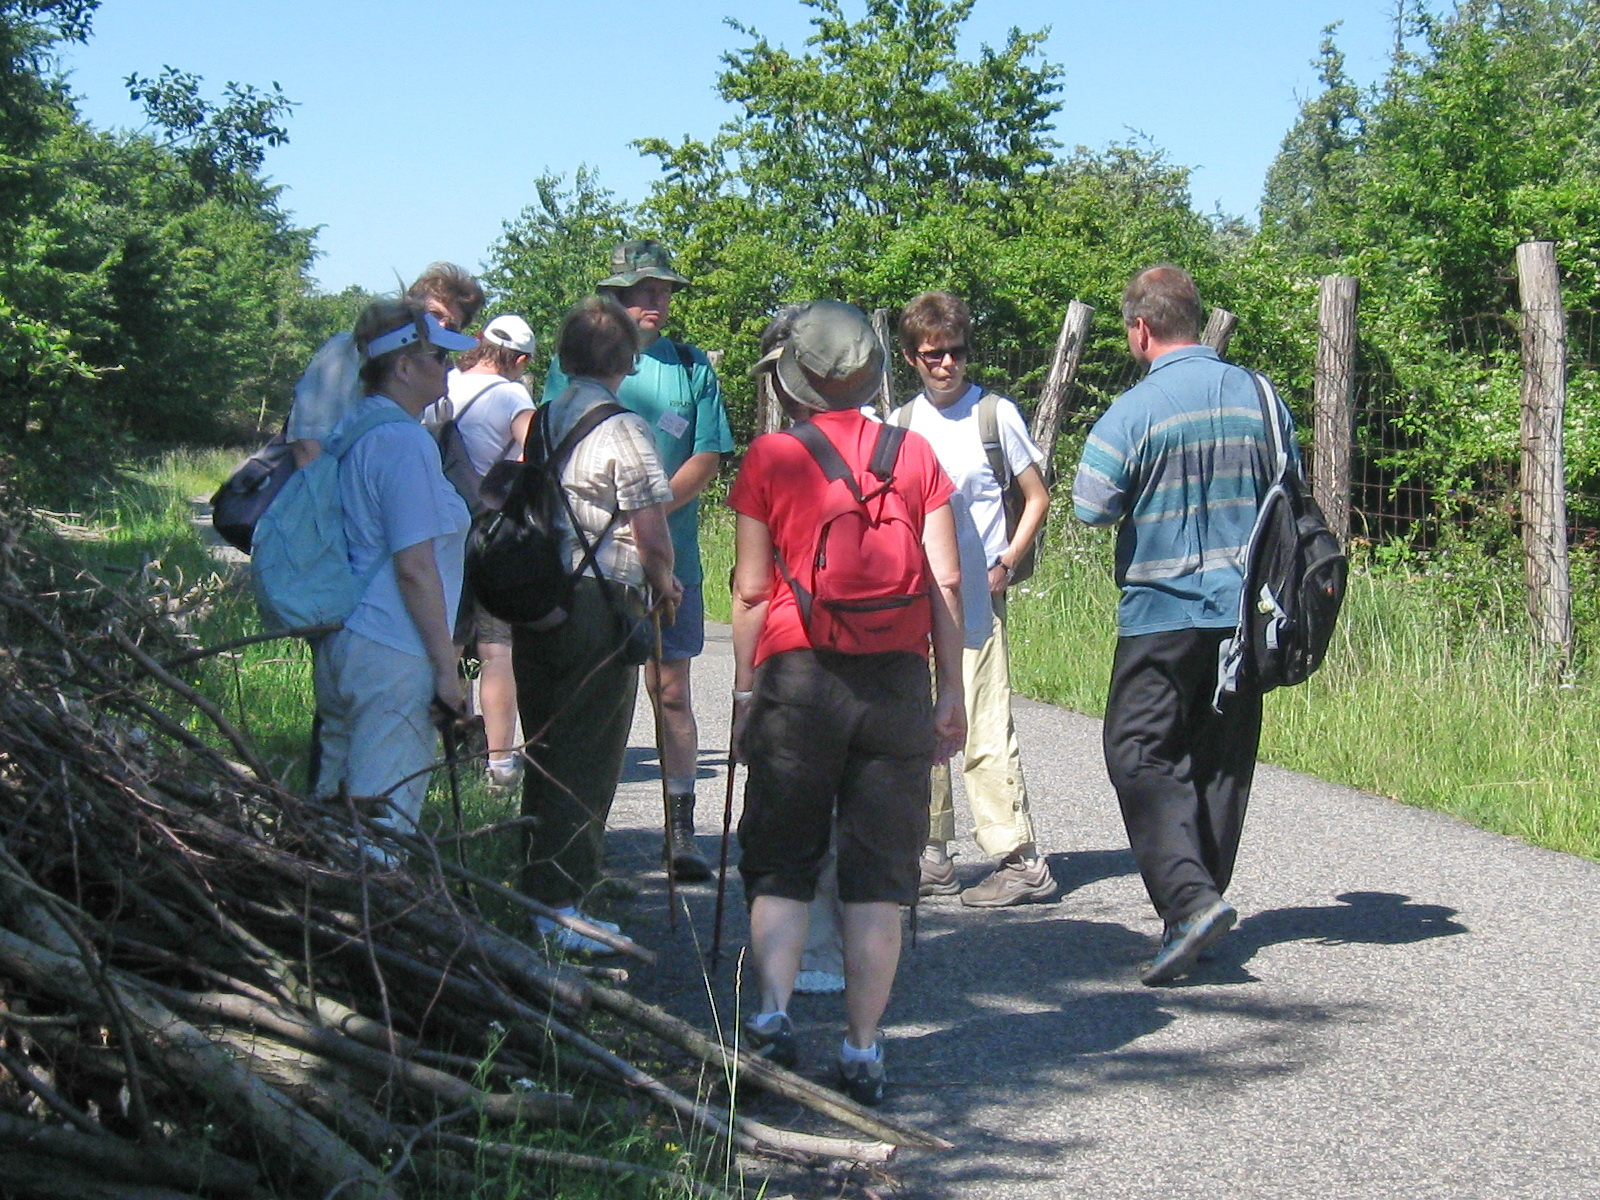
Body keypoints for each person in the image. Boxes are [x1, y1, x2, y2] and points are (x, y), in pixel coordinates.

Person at [728, 300, 965, 1105]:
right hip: (896, 680)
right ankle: (863, 1051)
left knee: (783, 858)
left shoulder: (770, 456)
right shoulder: (916, 453)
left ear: (796, 380)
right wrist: (951, 692)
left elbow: (753, 591)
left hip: (798, 674)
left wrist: (743, 690)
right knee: (878, 876)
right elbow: (948, 580)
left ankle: (771, 1019)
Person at [1073, 264, 1294, 985]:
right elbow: (1287, 483)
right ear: (1195, 319)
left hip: (1160, 612)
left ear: (1140, 330)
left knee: (1137, 750)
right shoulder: (1262, 396)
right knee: (1219, 761)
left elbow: (1092, 504)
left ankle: (1191, 901)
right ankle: (1190, 914)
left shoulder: (1134, 411)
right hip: (1246, 613)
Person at [544, 240, 734, 882]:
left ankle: (681, 831)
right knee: (589, 699)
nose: (655, 302)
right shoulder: (572, 369)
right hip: (592, 570)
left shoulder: (691, 368)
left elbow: (708, 458)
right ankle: (573, 841)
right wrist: (631, 512)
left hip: (670, 562)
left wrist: (645, 508)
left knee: (671, 691)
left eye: (663, 290)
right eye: (642, 291)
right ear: (617, 298)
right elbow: (546, 442)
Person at [517, 295, 682, 955]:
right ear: (626, 360)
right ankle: (564, 906)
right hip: (598, 602)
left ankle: (536, 885)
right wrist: (665, 581)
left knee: (546, 746)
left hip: (538, 597)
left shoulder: (544, 420)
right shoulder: (624, 429)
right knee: (589, 755)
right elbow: (652, 532)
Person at [891, 291, 1055, 908]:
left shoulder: (996, 415)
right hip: (920, 597)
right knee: (926, 720)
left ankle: (1020, 859)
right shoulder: (900, 425)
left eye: (956, 353)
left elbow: (1035, 496)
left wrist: (1006, 561)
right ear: (911, 356)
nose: (947, 365)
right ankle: (931, 852)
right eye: (934, 354)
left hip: (978, 599)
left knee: (983, 722)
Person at [311, 299, 477, 846]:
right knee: (381, 824)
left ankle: (321, 914)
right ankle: (370, 922)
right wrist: (444, 671)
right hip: (394, 649)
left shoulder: (355, 428)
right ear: (403, 365)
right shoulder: (404, 442)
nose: (447, 368)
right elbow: (414, 566)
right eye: (436, 357)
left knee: (335, 811)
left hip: (346, 641)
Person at [434, 314, 538, 792]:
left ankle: (445, 753)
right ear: (518, 360)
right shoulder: (513, 394)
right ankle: (499, 763)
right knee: (497, 650)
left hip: (438, 529)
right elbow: (538, 454)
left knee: (448, 646)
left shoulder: (446, 383)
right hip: (487, 533)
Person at [290, 263, 485, 468]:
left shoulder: (426, 374)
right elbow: (308, 444)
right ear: (409, 305)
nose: (442, 327)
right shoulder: (348, 350)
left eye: (452, 327)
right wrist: (328, 498)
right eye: (435, 314)